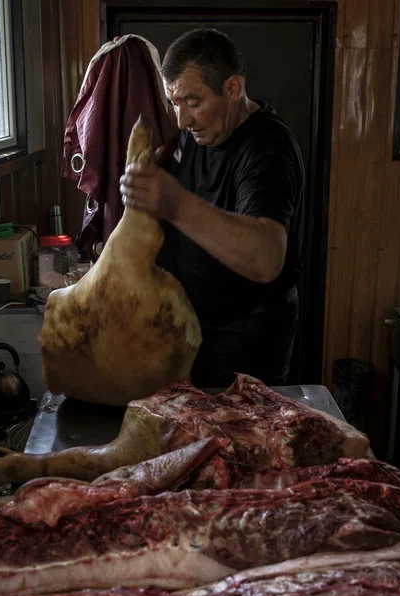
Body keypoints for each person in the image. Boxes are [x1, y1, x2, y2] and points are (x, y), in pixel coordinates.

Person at [119, 28, 305, 389]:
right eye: (175, 103)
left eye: (193, 102)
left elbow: (266, 258)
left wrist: (175, 203)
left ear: (233, 88)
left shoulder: (268, 148)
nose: (183, 120)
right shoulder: (196, 134)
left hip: (247, 340)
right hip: (191, 328)